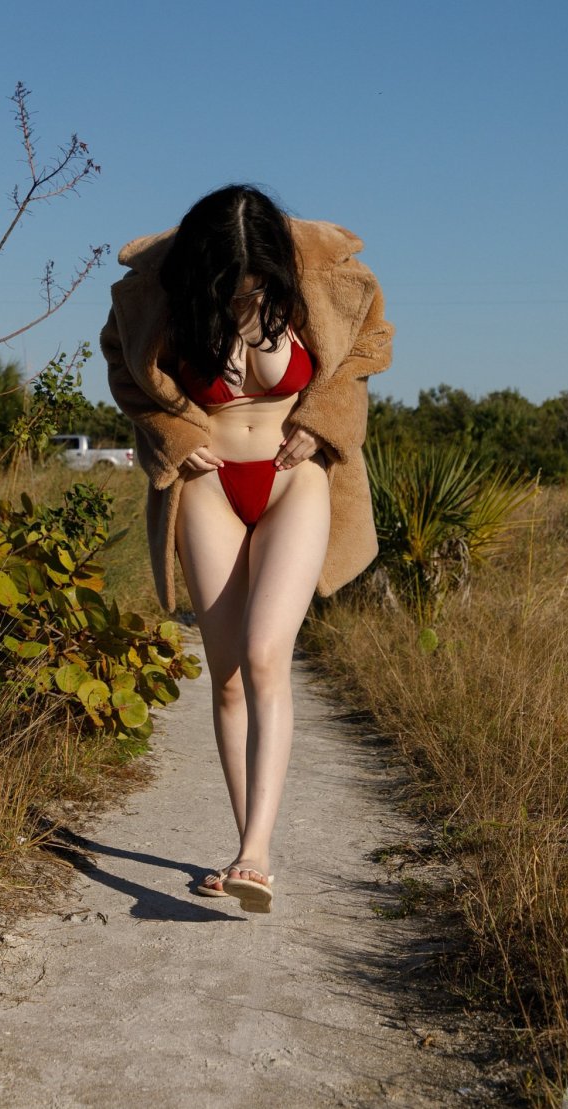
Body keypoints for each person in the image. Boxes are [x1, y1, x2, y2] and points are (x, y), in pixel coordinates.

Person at [100, 185, 393, 913]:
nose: (244, 300)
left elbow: (369, 346)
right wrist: (175, 435)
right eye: (231, 289)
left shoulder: (317, 275)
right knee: (227, 675)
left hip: (295, 482)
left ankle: (255, 855)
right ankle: (244, 851)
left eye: (257, 287)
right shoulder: (161, 292)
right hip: (208, 486)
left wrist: (322, 420)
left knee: (266, 654)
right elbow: (123, 365)